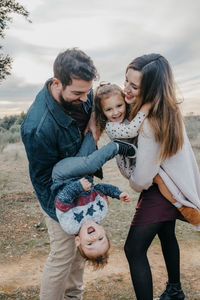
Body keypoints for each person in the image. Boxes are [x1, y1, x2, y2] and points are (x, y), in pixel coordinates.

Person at [116, 54, 200, 300]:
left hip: (161, 191)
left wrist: (134, 182)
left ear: (151, 90)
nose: (126, 90)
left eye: (134, 86)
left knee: (133, 249)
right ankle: (175, 290)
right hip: (172, 188)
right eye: (126, 81)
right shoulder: (169, 110)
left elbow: (142, 179)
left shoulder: (149, 124)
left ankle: (173, 291)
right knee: (166, 233)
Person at [21, 48, 100, 300]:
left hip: (82, 187)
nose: (85, 98)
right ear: (57, 83)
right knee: (63, 254)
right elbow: (43, 181)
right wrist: (64, 211)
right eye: (78, 93)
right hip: (56, 197)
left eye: (88, 91)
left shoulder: (83, 94)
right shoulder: (37, 127)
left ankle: (73, 297)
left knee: (80, 252)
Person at [94, 83, 200, 229]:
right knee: (159, 178)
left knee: (166, 176)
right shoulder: (111, 126)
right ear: (102, 111)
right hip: (129, 167)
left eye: (119, 106)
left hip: (138, 160)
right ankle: (181, 207)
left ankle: (184, 203)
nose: (115, 112)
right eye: (108, 109)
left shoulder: (129, 116)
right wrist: (145, 108)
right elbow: (131, 131)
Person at [51, 132, 130, 269]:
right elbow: (100, 188)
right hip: (83, 171)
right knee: (91, 136)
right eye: (101, 239)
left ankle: (116, 147)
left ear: (78, 241)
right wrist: (117, 193)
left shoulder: (71, 225)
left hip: (62, 175)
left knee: (91, 164)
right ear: (104, 231)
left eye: (90, 244)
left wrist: (77, 187)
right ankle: (93, 117)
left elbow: (61, 201)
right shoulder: (100, 212)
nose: (94, 238)